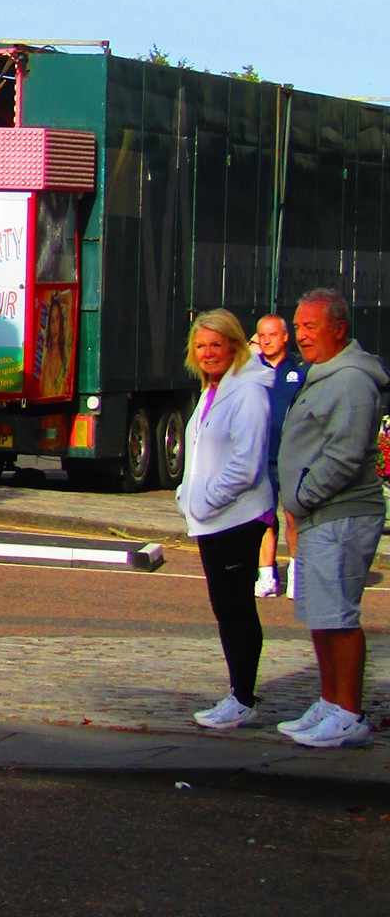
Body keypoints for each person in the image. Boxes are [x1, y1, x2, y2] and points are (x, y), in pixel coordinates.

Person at [274, 288, 390, 749]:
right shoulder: (324, 373)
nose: (300, 336)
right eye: (298, 327)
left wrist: (301, 497)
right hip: (318, 514)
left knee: (338, 616)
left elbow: (344, 454)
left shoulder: (350, 381)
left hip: (340, 514)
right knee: (320, 614)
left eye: (310, 327)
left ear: (339, 329)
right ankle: (329, 701)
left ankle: (349, 713)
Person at [176, 309, 273, 729]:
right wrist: (186, 496)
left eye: (216, 344)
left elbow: (245, 463)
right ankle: (237, 693)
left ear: (235, 345)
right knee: (224, 607)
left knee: (236, 608)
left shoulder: (249, 392)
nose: (208, 353)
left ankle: (243, 697)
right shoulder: (211, 391)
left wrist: (206, 501)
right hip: (211, 520)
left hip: (237, 518)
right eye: (201, 346)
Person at [251, 314, 308, 597]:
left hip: (293, 458)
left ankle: (296, 573)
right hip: (261, 458)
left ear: (285, 336)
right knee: (264, 519)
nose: (266, 340)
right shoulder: (251, 370)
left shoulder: (300, 370)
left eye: (272, 334)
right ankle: (267, 576)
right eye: (261, 335)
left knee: (293, 517)